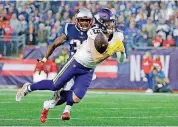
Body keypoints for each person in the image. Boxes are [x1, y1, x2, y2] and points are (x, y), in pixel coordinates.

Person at [16, 8, 126, 122]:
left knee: (76, 98)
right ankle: (29, 88)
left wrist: (122, 52)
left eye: (112, 22)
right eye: (108, 22)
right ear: (100, 23)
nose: (111, 24)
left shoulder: (118, 35)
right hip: (76, 62)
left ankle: (55, 102)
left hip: (89, 69)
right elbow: (96, 57)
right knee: (55, 85)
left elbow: (121, 60)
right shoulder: (92, 33)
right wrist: (44, 59)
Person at [40, 7, 93, 122]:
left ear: (91, 21)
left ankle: (66, 111)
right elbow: (54, 44)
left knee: (76, 92)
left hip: (87, 65)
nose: (84, 23)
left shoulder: (95, 31)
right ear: (76, 21)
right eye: (82, 20)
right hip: (72, 64)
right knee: (61, 92)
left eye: (86, 20)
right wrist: (44, 59)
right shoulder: (70, 29)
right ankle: (49, 104)